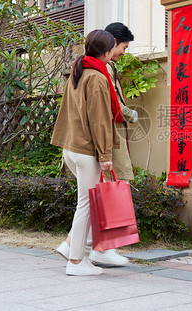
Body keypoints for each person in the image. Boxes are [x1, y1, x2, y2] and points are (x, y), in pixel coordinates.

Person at [50, 29, 129, 276]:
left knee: (90, 205)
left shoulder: (79, 71)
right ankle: (75, 262)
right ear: (106, 51)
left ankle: (77, 248)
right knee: (86, 205)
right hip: (86, 151)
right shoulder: (96, 77)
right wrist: (105, 156)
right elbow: (100, 120)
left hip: (72, 147)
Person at [104, 22, 138, 180]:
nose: (124, 52)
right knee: (112, 181)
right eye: (124, 47)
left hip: (107, 132)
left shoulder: (107, 65)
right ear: (114, 42)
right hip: (107, 133)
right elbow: (113, 100)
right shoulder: (105, 67)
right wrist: (130, 114)